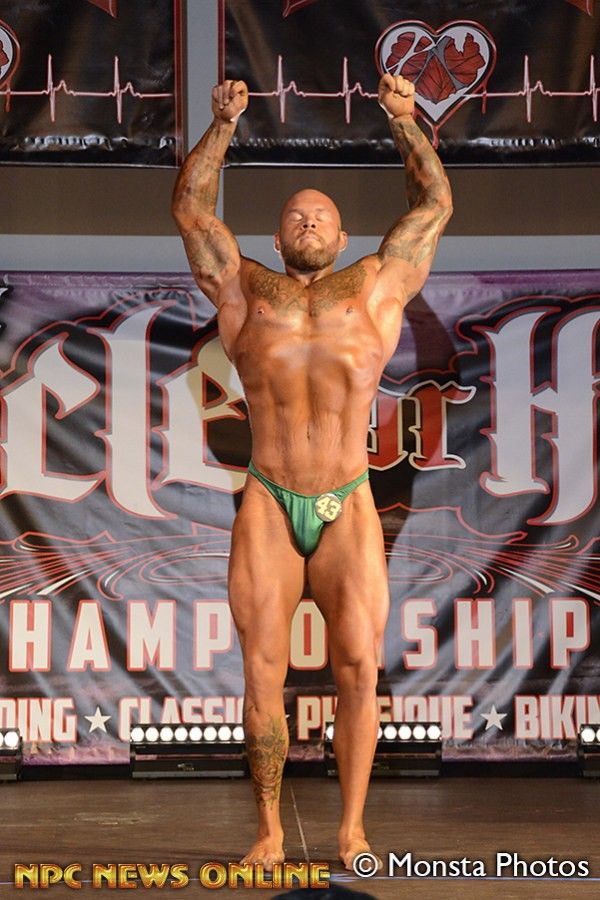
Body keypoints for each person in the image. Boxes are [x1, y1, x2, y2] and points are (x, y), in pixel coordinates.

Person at [172, 73, 452, 871]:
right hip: (269, 497)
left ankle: (352, 829)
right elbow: (191, 210)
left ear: (341, 234)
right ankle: (266, 830)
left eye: (321, 215)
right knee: (261, 667)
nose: (307, 221)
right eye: (296, 215)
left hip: (348, 499)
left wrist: (405, 120)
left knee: (359, 665)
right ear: (277, 235)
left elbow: (434, 205)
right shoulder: (243, 290)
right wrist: (222, 127)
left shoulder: (375, 288)